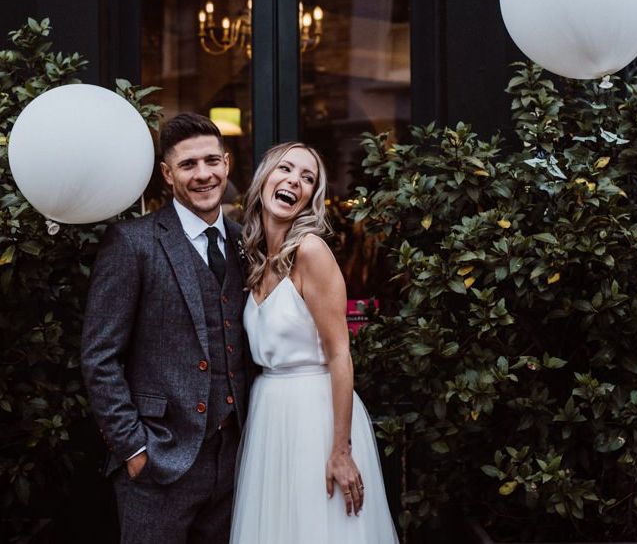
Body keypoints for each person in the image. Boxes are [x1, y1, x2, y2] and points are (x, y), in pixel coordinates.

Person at [81, 113, 254, 544]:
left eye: (211, 161)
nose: (203, 174)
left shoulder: (245, 242)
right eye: (188, 165)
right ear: (167, 174)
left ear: (227, 164)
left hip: (235, 463)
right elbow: (100, 356)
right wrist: (134, 449)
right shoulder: (132, 243)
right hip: (158, 461)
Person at [229, 142, 399, 543]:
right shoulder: (256, 259)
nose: (295, 181)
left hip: (315, 415)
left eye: (307, 178)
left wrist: (340, 449)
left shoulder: (311, 251)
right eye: (286, 169)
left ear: (311, 197)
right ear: (265, 180)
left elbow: (340, 354)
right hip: (270, 412)